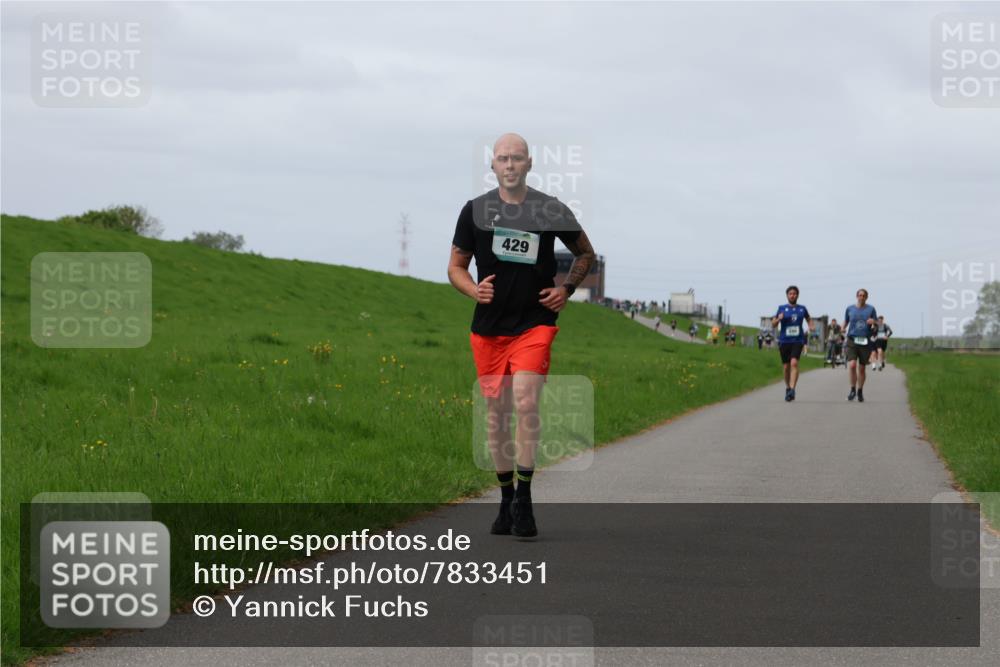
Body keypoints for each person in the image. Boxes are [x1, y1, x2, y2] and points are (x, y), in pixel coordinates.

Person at [448, 133, 595, 538]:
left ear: (529, 164)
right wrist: (472, 289)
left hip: (535, 323)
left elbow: (586, 253)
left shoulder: (549, 209)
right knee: (497, 417)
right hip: (490, 329)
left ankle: (526, 499)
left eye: (516, 158)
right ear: (492, 166)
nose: (509, 164)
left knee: (527, 402)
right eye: (502, 158)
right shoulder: (474, 211)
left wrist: (565, 290)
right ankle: (506, 498)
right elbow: (456, 266)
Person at [771, 285, 812, 401]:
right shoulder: (781, 308)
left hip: (797, 340)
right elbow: (773, 324)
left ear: (797, 295)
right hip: (784, 341)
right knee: (786, 367)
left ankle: (793, 389)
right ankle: (788, 388)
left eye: (794, 293)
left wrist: (811, 326)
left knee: (794, 363)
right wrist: (778, 319)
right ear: (787, 295)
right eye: (790, 293)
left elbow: (809, 319)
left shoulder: (802, 309)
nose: (792, 295)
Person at [843, 288, 878, 402]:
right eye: (860, 295)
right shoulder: (850, 308)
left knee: (862, 368)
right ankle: (852, 389)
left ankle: (860, 391)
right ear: (857, 296)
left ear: (866, 297)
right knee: (852, 365)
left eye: (863, 296)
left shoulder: (871, 309)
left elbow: (877, 323)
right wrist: (842, 328)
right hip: (852, 340)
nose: (861, 297)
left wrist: (873, 322)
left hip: (865, 341)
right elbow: (846, 321)